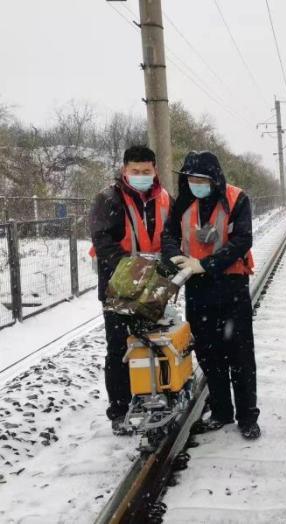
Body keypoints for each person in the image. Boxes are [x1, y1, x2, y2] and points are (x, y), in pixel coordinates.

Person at [161, 151, 260, 439]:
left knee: (240, 355)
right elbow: (168, 236)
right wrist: (175, 258)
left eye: (202, 179)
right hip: (198, 287)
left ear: (214, 179)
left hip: (231, 284)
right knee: (208, 352)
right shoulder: (183, 203)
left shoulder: (237, 199)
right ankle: (220, 410)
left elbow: (243, 240)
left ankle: (247, 417)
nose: (196, 184)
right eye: (191, 179)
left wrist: (206, 264)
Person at [89, 145, 171, 435]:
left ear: (155, 171)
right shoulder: (108, 199)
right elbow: (103, 242)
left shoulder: (164, 199)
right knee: (119, 348)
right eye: (135, 172)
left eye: (146, 171)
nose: (140, 176)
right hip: (118, 288)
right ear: (124, 170)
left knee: (156, 341)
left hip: (156, 287)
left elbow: (171, 237)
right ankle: (120, 409)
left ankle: (157, 396)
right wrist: (136, 269)